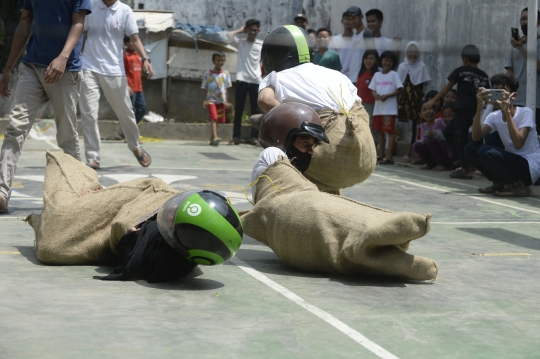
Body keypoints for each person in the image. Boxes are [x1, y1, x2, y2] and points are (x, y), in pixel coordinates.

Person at [27, 151, 243, 282]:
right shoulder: (184, 227)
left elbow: (128, 233)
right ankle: (98, 196)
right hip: (141, 197)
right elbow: (158, 196)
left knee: (56, 235)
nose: (167, 214)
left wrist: (130, 233)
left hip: (131, 216)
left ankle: (90, 191)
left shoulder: (154, 251)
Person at [0, 0, 91, 214]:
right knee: (15, 128)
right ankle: (2, 193)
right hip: (32, 66)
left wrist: (62, 57)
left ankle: (75, 193)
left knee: (67, 137)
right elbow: (24, 24)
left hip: (65, 71)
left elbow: (78, 23)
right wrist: (8, 68)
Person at [79, 0, 153, 171]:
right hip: (88, 66)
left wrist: (145, 59)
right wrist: (76, 59)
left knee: (126, 112)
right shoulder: (90, 5)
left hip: (114, 70)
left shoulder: (125, 11)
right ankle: (93, 157)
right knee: (88, 113)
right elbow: (82, 34)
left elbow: (134, 39)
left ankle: (135, 146)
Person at [466, 74, 540, 197]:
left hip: (529, 166)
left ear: (513, 95)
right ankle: (499, 183)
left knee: (486, 151)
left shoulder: (525, 112)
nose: (498, 95)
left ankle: (520, 187)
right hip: (512, 162)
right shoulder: (494, 116)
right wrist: (479, 108)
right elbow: (475, 137)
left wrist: (507, 112)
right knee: (470, 149)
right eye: (495, 91)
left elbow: (518, 144)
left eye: (502, 91)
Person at [427, 44, 490, 179]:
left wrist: (434, 101)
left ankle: (466, 168)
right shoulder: (484, 76)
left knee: (459, 138)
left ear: (465, 59)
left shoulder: (461, 70)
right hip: (476, 110)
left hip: (463, 108)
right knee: (449, 133)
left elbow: (448, 87)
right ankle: (462, 160)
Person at [251, 103, 329, 197]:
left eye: (312, 146)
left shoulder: (291, 167)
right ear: (284, 139)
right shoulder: (272, 153)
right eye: (305, 143)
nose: (311, 151)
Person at [227, 19, 262, 145]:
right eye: (250, 29)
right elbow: (229, 36)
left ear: (258, 31)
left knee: (255, 111)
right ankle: (235, 137)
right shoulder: (241, 43)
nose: (253, 32)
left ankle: (254, 138)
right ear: (247, 30)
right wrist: (240, 30)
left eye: (255, 30)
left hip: (256, 81)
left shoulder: (261, 45)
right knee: (239, 110)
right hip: (242, 80)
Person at [396, 41, 431, 163]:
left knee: (414, 128)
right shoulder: (402, 66)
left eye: (415, 52)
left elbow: (424, 87)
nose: (412, 54)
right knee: (402, 125)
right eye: (410, 51)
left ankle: (410, 153)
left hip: (415, 103)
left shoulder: (421, 66)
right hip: (402, 103)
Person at [505, 7, 540, 128]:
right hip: (516, 101)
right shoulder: (514, 45)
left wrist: (520, 48)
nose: (525, 22)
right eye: (523, 19)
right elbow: (510, 72)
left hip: (536, 102)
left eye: (529, 19)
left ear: (538, 22)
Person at [369, 50, 403, 165]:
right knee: (379, 132)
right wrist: (375, 95)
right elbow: (372, 89)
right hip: (378, 109)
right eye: (386, 60)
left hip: (389, 109)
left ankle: (389, 157)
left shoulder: (394, 75)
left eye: (391, 61)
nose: (388, 63)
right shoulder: (377, 75)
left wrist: (387, 96)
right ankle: (381, 154)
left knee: (390, 132)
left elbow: (400, 89)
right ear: (381, 61)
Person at [329, 6, 374, 84]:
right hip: (352, 78)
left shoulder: (367, 33)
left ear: (361, 17)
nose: (351, 22)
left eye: (354, 18)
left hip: (362, 78)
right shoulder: (355, 35)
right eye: (349, 19)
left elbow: (372, 56)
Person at [201, 52, 232, 146]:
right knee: (214, 117)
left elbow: (226, 89)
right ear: (213, 61)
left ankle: (212, 138)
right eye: (218, 60)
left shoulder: (226, 74)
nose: (220, 62)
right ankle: (215, 137)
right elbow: (205, 88)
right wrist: (204, 100)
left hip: (221, 100)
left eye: (222, 60)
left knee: (217, 119)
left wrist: (226, 101)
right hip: (210, 100)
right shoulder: (208, 73)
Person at [412, 99, 453, 171]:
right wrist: (426, 134)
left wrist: (435, 134)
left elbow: (448, 138)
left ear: (434, 111)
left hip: (445, 153)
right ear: (420, 114)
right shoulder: (422, 126)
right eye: (424, 110)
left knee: (429, 140)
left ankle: (441, 164)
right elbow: (422, 140)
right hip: (432, 153)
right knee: (416, 145)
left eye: (430, 109)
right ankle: (431, 164)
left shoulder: (440, 122)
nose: (428, 111)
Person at [357, 49, 379, 143]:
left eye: (371, 59)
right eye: (366, 58)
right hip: (360, 104)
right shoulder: (361, 73)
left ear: (376, 61)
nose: (368, 61)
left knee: (371, 127)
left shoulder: (377, 75)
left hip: (371, 105)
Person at [123, 36, 146, 125]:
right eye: (129, 42)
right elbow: (123, 72)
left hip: (139, 88)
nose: (132, 43)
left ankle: (131, 130)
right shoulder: (125, 55)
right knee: (129, 111)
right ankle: (126, 132)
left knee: (142, 109)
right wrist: (127, 86)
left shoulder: (140, 55)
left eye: (133, 41)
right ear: (126, 44)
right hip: (130, 89)